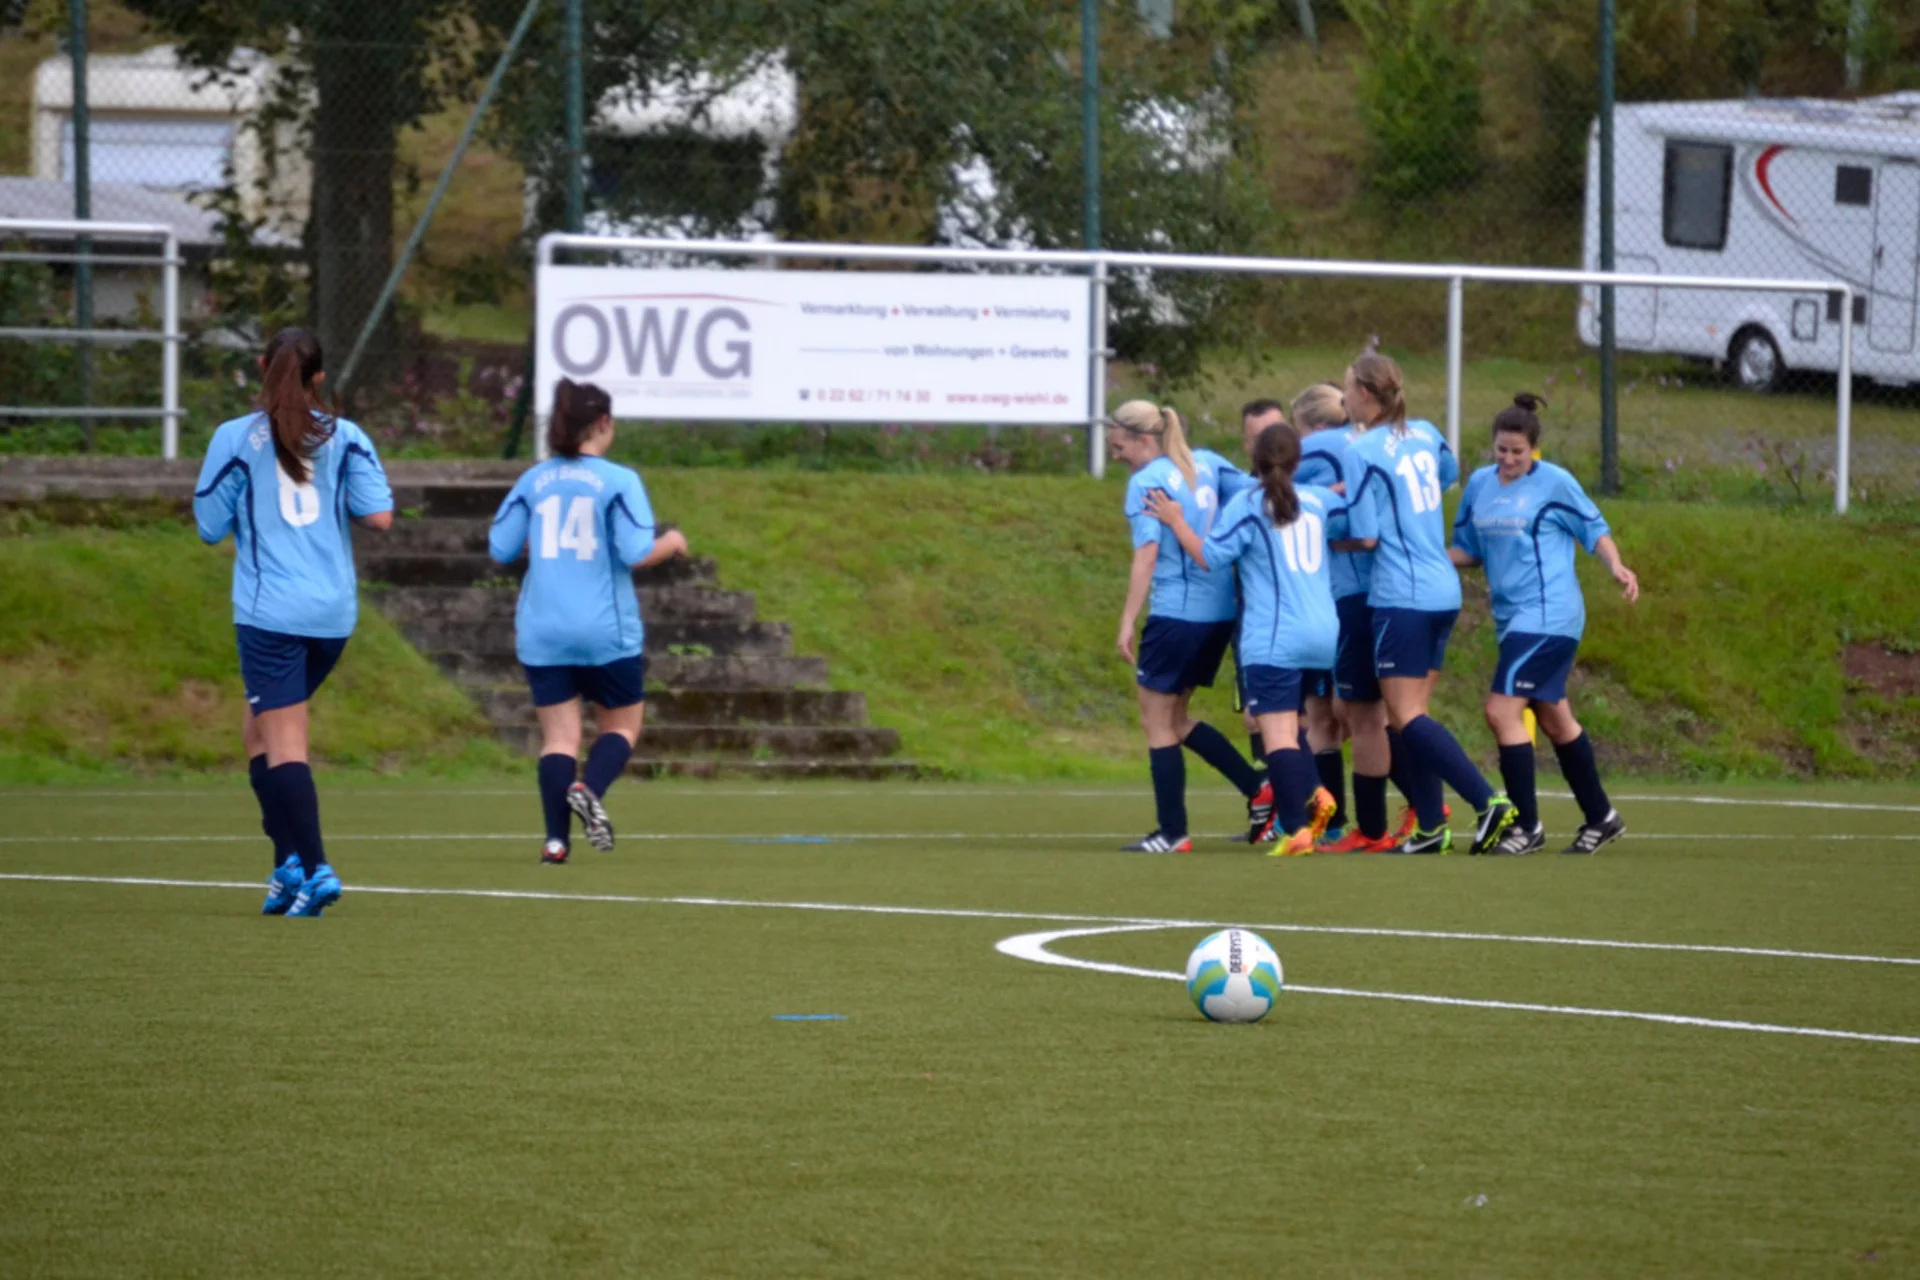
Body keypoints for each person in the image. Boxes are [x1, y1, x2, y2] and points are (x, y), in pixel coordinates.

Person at [193, 327, 393, 917]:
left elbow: (208, 525)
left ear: (261, 366)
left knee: (283, 743)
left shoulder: (234, 438)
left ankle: (315, 865)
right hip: (332, 616)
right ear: (320, 377)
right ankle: (285, 865)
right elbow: (378, 516)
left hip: (270, 614)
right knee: (256, 731)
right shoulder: (346, 436)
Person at [489, 379, 689, 864]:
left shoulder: (533, 480)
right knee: (622, 727)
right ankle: (589, 787)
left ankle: (556, 842)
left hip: (544, 628)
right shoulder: (619, 481)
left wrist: (539, 543)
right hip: (605, 630)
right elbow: (636, 551)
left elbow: (500, 548)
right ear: (603, 423)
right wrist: (675, 542)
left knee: (559, 738)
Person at [1342, 353, 1517, 855]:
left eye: (1348, 388)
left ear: (1367, 395)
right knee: (1409, 717)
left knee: (1406, 715)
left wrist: (1324, 537)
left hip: (1403, 593)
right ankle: (1430, 829)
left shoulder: (1362, 451)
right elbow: (1446, 475)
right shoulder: (1425, 431)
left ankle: (1488, 803)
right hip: (1443, 588)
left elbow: (1366, 537)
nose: (1344, 396)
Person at [1450, 394, 1638, 855]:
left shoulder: (1554, 483)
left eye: (1519, 451)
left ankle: (1525, 827)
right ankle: (1602, 816)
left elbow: (1594, 529)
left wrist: (1616, 565)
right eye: (1502, 450)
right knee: (1554, 717)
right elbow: (1468, 550)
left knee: (1501, 711)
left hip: (1550, 615)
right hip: (1513, 617)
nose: (1509, 459)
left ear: (1534, 448)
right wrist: (1421, 560)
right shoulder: (1478, 485)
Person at [1147, 421, 1341, 854]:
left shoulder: (1250, 503)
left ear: (1253, 458)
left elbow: (1210, 557)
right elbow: (1349, 513)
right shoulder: (1320, 500)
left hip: (1276, 635)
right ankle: (1317, 794)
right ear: (1298, 462)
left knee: (1276, 735)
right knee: (1300, 725)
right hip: (1323, 634)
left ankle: (1296, 831)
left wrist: (1177, 521)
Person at [1111, 400, 1265, 853]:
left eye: (1120, 446)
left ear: (1144, 439)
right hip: (1218, 615)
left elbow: (1148, 553)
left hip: (1176, 615)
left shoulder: (1147, 482)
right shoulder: (1210, 464)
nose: (1116, 455)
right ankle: (1259, 791)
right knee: (1176, 720)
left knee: (1156, 722)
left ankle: (1172, 832)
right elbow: (1260, 491)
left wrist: (1126, 620)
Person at [1287, 383, 1355, 845]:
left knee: (1342, 713)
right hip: (1355, 593)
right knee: (1332, 714)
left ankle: (1422, 803)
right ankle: (1333, 821)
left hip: (1334, 594)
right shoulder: (1367, 446)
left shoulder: (1312, 452)